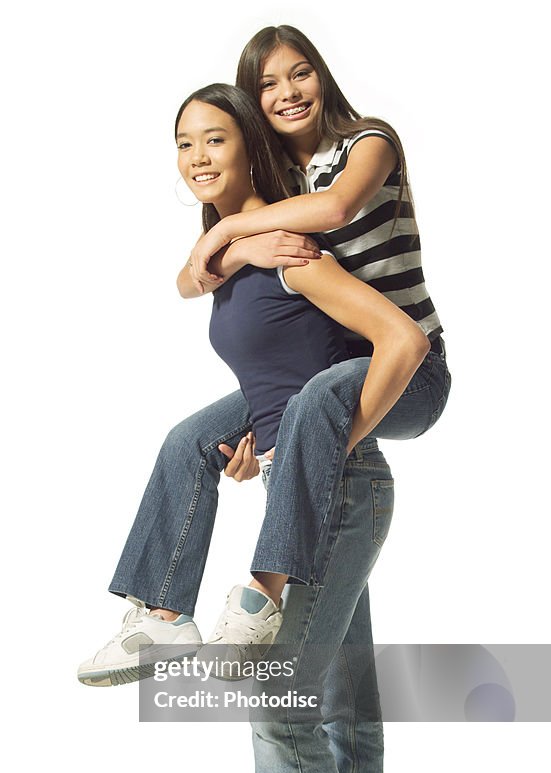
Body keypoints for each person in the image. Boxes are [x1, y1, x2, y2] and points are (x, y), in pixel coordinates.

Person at [78, 26, 450, 685]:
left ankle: (261, 593)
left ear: (322, 75)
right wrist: (235, 247)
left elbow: (336, 209)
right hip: (343, 363)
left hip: (409, 370)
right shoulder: (281, 193)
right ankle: (160, 618)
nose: (285, 92)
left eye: (298, 73)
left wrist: (227, 230)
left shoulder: (364, 146)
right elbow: (188, 283)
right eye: (266, 84)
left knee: (316, 400)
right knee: (190, 438)